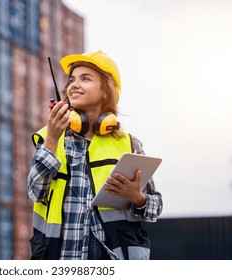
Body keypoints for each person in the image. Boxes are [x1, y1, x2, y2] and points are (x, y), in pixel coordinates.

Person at [27, 50, 163, 260]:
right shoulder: (50, 137)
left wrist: (137, 198)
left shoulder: (128, 144)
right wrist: (52, 139)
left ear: (106, 91)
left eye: (86, 78)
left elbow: (156, 208)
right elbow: (35, 191)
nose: (74, 84)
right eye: (71, 80)